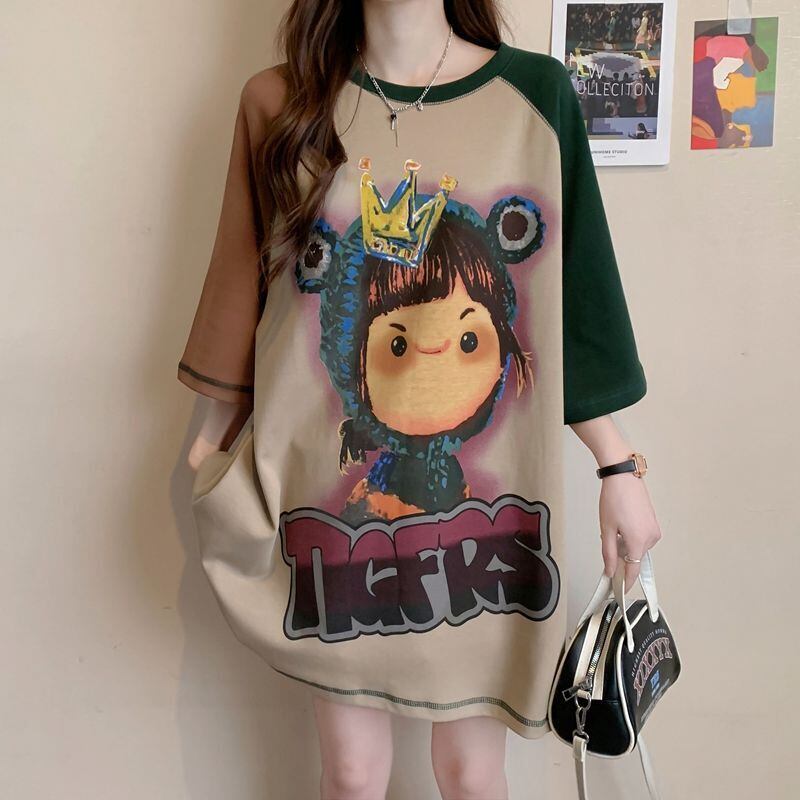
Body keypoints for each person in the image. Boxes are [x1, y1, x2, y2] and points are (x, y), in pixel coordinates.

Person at [176, 1, 662, 798]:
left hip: (493, 534)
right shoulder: (280, 104)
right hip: (330, 519)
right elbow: (243, 283)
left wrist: (619, 467)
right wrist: (209, 445)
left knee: (471, 775)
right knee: (353, 774)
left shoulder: (536, 97)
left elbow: (572, 304)